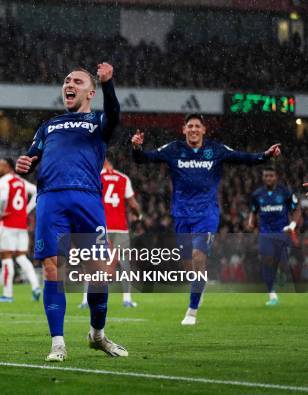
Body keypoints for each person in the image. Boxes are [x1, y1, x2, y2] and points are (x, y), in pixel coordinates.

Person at [16, 64, 127, 362]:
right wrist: (23, 163)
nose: (69, 84)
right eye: (66, 80)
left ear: (90, 92)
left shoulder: (98, 121)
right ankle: (57, 342)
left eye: (77, 81)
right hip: (51, 198)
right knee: (52, 268)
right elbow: (31, 155)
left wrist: (109, 84)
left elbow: (115, 115)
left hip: (88, 199)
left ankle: (97, 335)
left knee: (100, 273)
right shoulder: (48, 126)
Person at [131, 114, 282, 325]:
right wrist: (137, 148)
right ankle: (198, 287)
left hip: (206, 213)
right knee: (187, 264)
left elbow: (243, 158)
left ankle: (191, 311)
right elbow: (143, 159)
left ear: (204, 130)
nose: (193, 129)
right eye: (190, 126)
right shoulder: (173, 149)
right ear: (184, 129)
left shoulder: (215, 150)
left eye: (197, 126)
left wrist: (265, 155)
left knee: (198, 256)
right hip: (181, 214)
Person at [78, 159, 142, 309]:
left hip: (100, 226)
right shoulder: (123, 178)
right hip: (120, 227)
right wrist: (139, 216)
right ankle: (127, 299)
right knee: (125, 262)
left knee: (91, 261)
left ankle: (86, 300)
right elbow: (133, 204)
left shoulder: (94, 177)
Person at [247, 167, 300, 306]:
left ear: (276, 177)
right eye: (266, 176)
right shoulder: (257, 195)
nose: (268, 178)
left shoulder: (285, 192)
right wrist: (250, 221)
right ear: (263, 177)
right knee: (267, 260)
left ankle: (282, 274)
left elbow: (296, 209)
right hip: (265, 234)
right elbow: (253, 211)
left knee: (283, 263)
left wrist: (293, 224)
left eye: (271, 176)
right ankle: (272, 295)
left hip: (282, 232)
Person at [0, 158, 40, 303]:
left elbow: (4, 197)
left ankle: (7, 294)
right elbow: (37, 191)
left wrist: (0, 211)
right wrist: (26, 210)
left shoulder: (3, 181)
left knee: (6, 257)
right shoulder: (21, 181)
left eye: (1, 165)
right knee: (21, 257)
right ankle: (36, 286)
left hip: (8, 224)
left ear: (8, 167)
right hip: (21, 225)